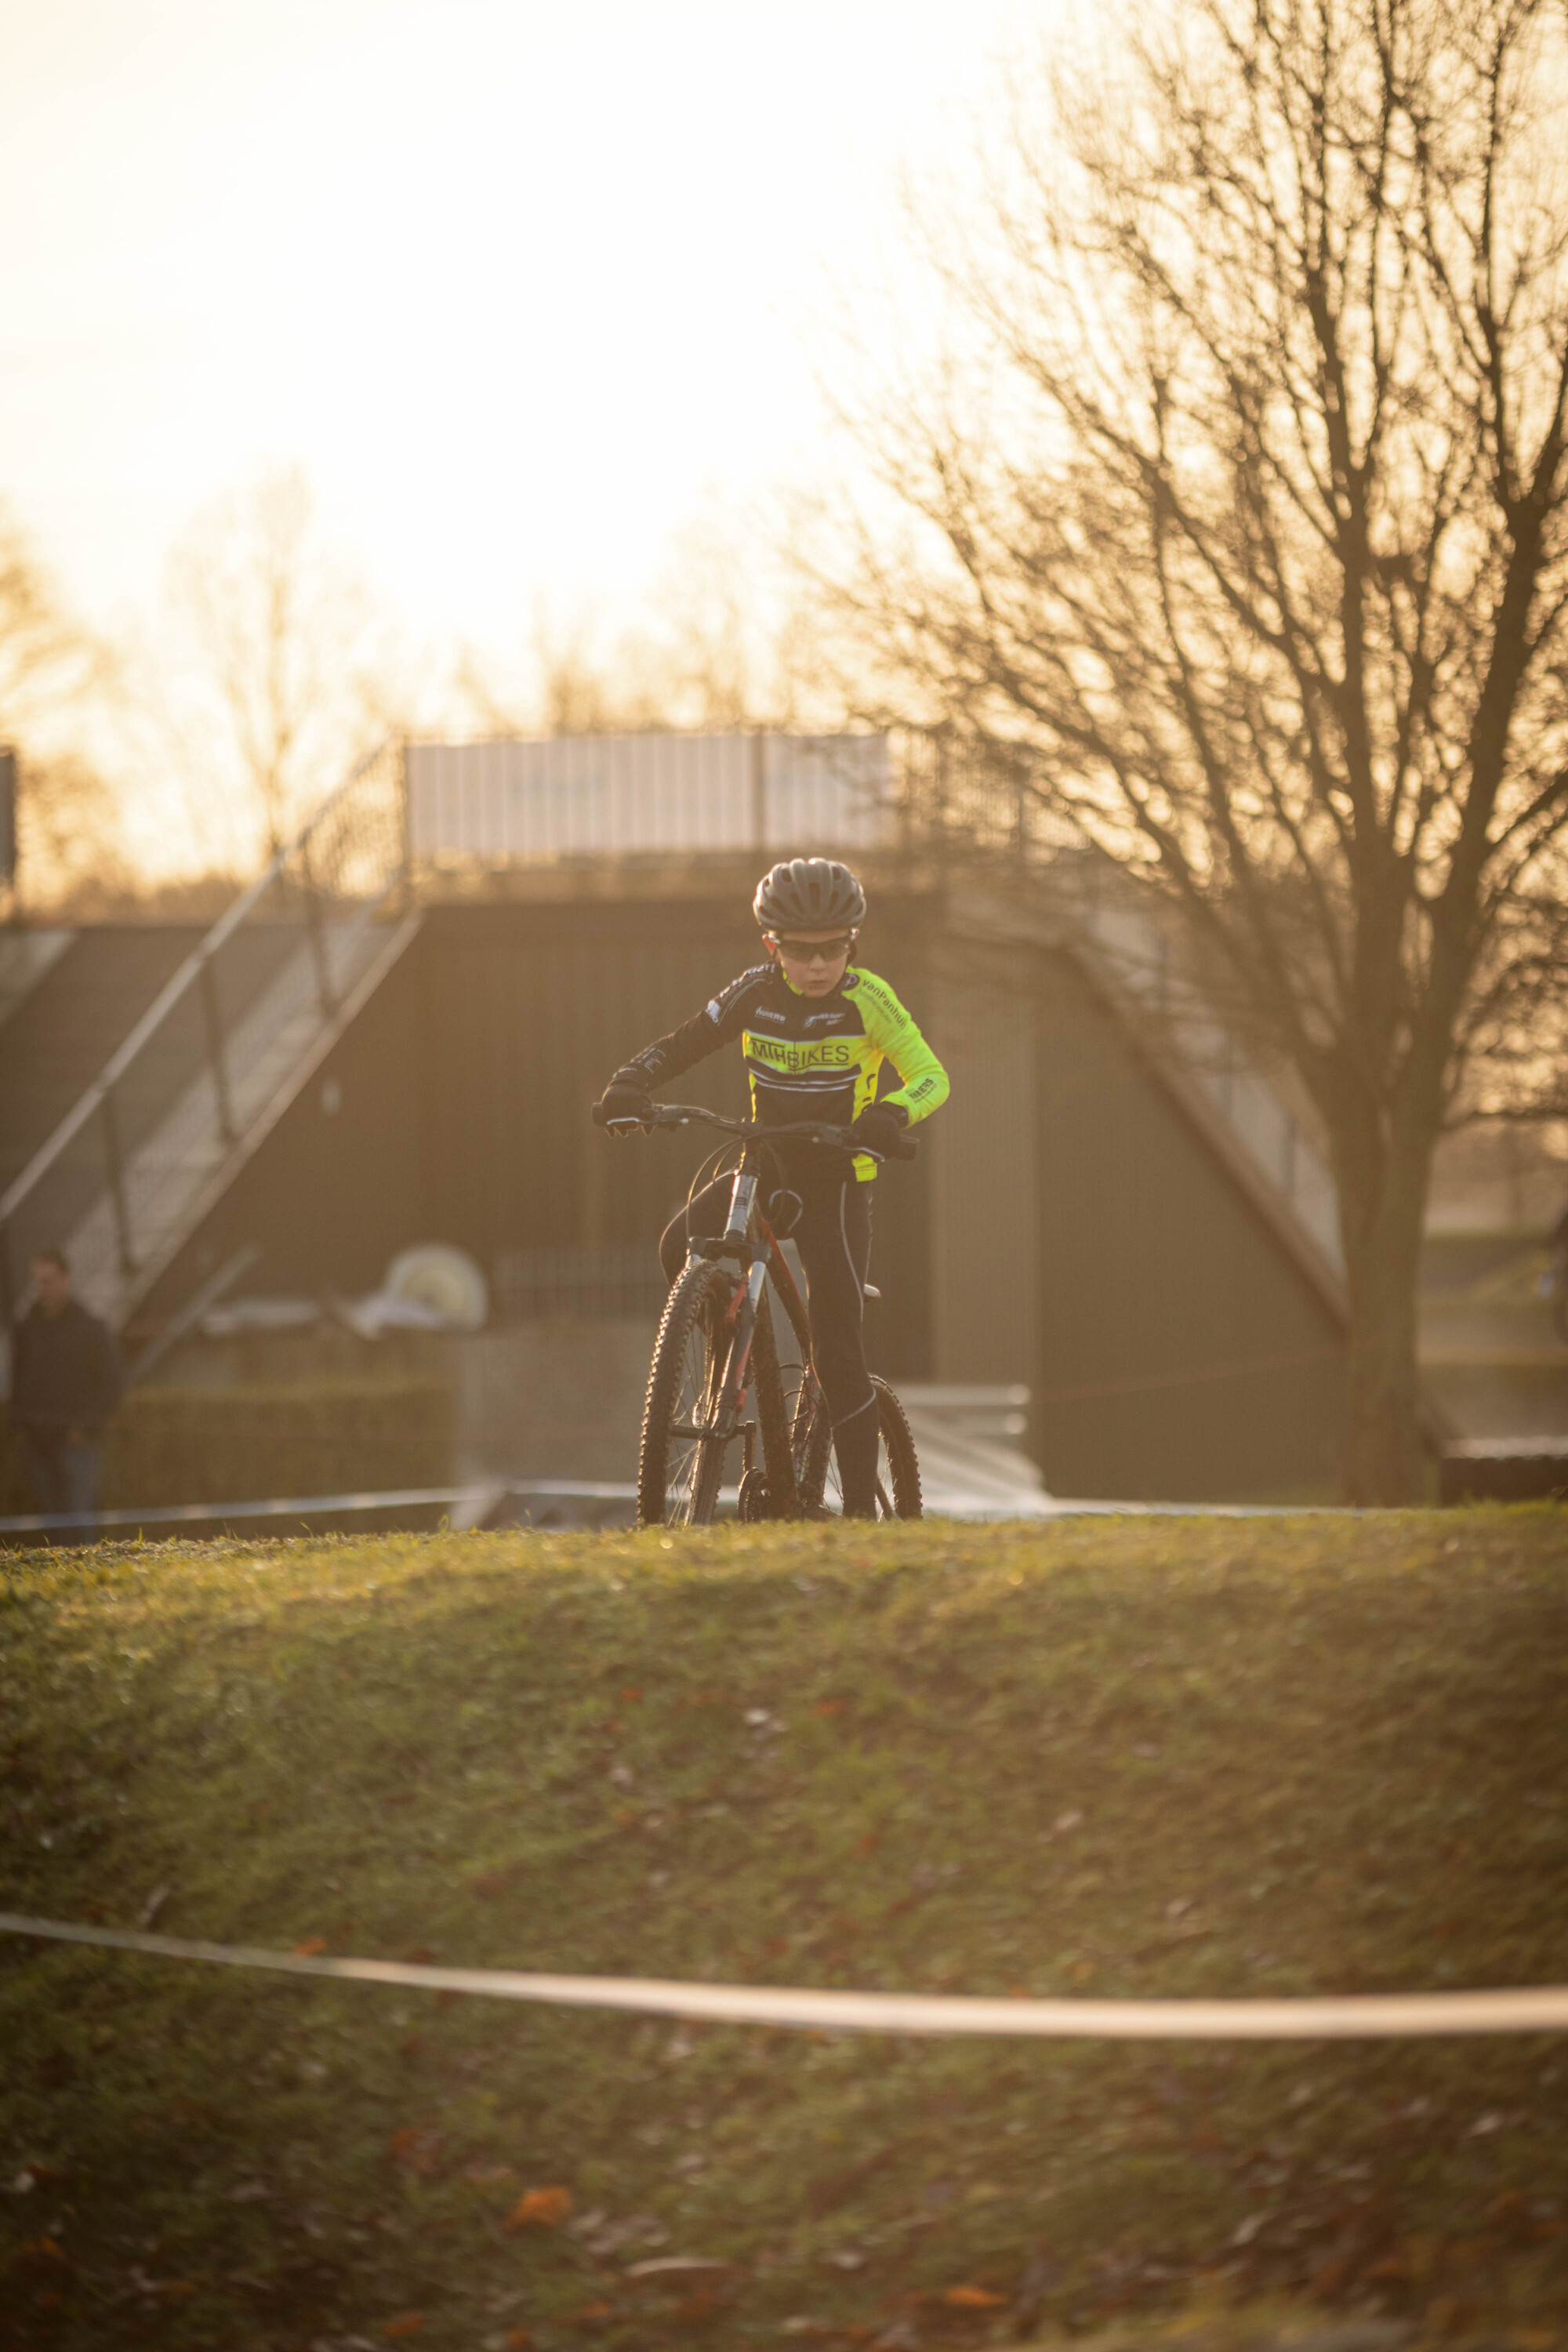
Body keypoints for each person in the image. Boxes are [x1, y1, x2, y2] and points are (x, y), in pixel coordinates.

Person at [596, 857, 949, 1517]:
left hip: (838, 1181)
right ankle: (728, 1349)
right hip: (769, 1165)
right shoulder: (752, 993)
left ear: (853, 943)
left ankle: (861, 1519)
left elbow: (931, 1075)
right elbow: (685, 1042)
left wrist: (889, 1114)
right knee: (681, 1247)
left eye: (832, 950)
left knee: (837, 1349)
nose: (817, 965)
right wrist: (631, 1083)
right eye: (799, 951)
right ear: (772, 947)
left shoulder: (868, 1000)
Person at [9, 1247, 122, 1532]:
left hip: (76, 1443)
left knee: (80, 1521)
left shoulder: (89, 1328)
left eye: (49, 1280)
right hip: (35, 1443)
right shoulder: (26, 1329)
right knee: (48, 1526)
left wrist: (83, 1426)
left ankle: (89, 1576)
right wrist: (20, 1427)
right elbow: (18, 1381)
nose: (43, 1288)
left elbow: (111, 1384)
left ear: (66, 1279)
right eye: (38, 1281)